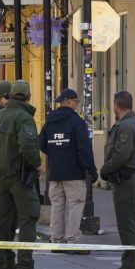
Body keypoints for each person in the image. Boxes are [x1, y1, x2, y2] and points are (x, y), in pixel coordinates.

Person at [0, 79, 42, 269]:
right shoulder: (24, 118)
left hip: (0, 178)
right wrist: (37, 164)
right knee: (28, 219)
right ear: (28, 98)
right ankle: (24, 263)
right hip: (19, 177)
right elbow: (27, 145)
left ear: (11, 96)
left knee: (1, 222)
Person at [38, 87, 96, 250]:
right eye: (75, 102)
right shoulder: (76, 122)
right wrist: (91, 170)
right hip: (74, 173)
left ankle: (56, 239)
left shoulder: (50, 121)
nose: (76, 105)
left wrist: (55, 152)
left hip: (55, 173)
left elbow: (41, 143)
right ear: (70, 102)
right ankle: (72, 241)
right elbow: (84, 149)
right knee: (75, 206)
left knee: (57, 206)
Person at [99, 90, 135, 269]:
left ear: (116, 105)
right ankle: (129, 263)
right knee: (127, 223)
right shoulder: (131, 123)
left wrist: (105, 169)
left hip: (126, 179)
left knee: (127, 224)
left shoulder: (126, 125)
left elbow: (121, 154)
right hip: (127, 178)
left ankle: (130, 265)